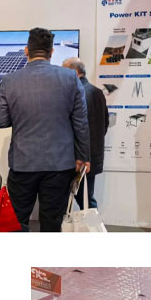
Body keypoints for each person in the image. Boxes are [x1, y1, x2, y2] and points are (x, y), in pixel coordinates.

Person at [0, 27, 89, 232]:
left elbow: (0, 121)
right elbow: (81, 123)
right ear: (51, 52)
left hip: (22, 163)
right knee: (52, 222)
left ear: (26, 51)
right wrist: (83, 156)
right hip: (59, 164)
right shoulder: (70, 78)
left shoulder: (9, 80)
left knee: (17, 222)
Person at [62, 57, 108, 210]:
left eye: (63, 70)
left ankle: (91, 224)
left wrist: (80, 155)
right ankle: (93, 223)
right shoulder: (97, 92)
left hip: (78, 158)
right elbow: (105, 124)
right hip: (91, 155)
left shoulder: (77, 94)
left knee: (81, 199)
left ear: (75, 72)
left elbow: (77, 128)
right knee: (87, 198)